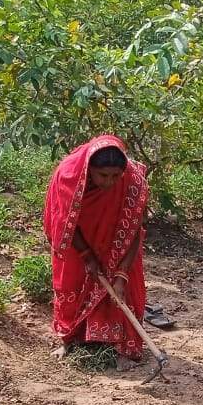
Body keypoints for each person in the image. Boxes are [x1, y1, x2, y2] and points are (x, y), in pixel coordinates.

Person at [43, 135, 151, 369]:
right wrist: (86, 255)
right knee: (72, 283)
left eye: (115, 176)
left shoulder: (133, 182)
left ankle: (122, 347)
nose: (109, 182)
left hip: (115, 244)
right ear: (89, 168)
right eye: (103, 175)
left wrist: (122, 274)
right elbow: (64, 223)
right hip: (76, 240)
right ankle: (70, 339)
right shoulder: (68, 176)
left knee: (122, 291)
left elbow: (133, 232)